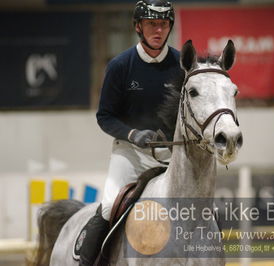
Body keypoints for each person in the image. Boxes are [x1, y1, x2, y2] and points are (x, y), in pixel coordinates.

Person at [78, 0, 182, 265]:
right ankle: (88, 261)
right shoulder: (120, 66)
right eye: (151, 24)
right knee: (109, 205)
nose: (158, 30)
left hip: (172, 156)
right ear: (138, 27)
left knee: (200, 205)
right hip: (131, 154)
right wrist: (133, 134)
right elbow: (105, 117)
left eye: (163, 24)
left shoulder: (182, 64)